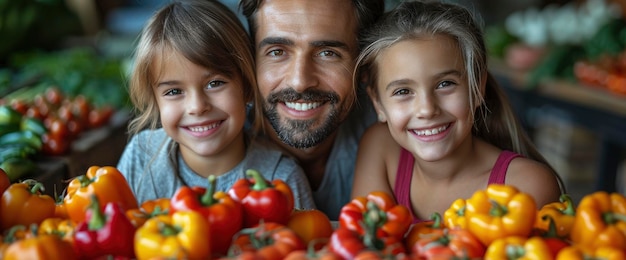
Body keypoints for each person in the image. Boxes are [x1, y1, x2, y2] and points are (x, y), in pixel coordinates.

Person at [351, 0, 565, 222]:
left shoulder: (526, 186)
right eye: (403, 91)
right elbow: (364, 247)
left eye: (445, 84)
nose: (427, 109)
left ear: (478, 86)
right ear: (377, 103)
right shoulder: (380, 149)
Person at [116, 0, 315, 210]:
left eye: (215, 83)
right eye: (174, 92)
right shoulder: (140, 158)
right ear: (155, 100)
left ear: (247, 87)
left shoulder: (281, 178)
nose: (197, 106)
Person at [238, 0, 385, 220]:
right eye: (277, 52)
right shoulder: (214, 139)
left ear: (364, 64)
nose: (299, 81)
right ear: (252, 60)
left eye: (327, 53)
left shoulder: (397, 132)